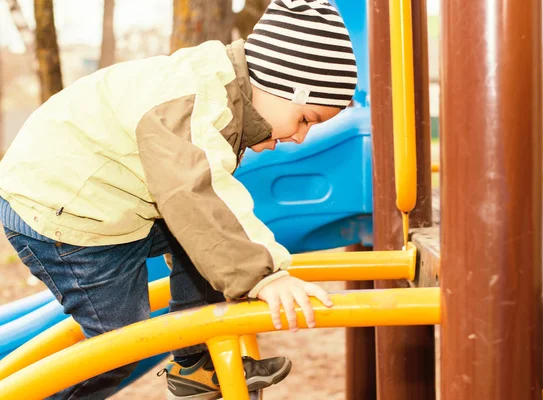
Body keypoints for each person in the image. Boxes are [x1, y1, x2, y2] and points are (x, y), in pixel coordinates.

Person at [0, 0, 357, 398]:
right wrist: (265, 276)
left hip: (108, 201)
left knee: (211, 238)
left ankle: (196, 364)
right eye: (306, 118)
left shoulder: (222, 91)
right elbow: (194, 193)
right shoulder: (198, 103)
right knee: (118, 347)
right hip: (65, 213)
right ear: (277, 82)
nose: (300, 136)